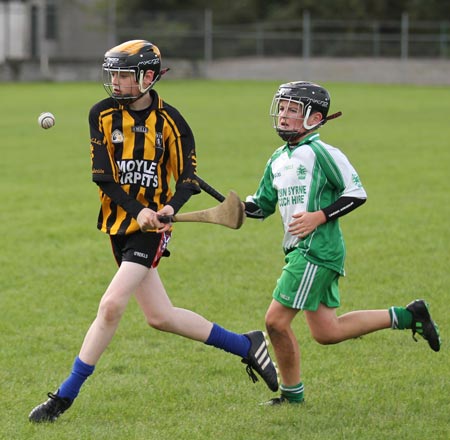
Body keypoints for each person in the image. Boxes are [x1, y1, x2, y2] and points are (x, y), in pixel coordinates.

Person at [28, 40, 278, 423]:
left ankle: (62, 397)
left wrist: (167, 209)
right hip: (119, 224)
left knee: (111, 306)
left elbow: (189, 178)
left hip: (153, 230)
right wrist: (138, 210)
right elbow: (104, 177)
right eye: (112, 75)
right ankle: (247, 345)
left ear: (147, 77)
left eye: (124, 76)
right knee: (160, 316)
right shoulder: (102, 115)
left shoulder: (173, 122)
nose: (116, 83)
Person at [243, 81, 441, 405]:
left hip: (316, 250)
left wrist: (319, 216)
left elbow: (356, 193)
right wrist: (236, 209)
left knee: (275, 321)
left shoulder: (323, 153)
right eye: (281, 108)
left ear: (315, 117)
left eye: (293, 110)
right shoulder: (277, 159)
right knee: (326, 332)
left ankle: (291, 396)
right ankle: (409, 316)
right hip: (298, 249)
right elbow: (262, 205)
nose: (283, 115)